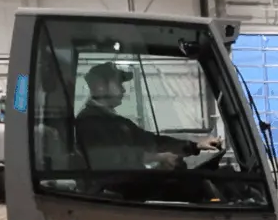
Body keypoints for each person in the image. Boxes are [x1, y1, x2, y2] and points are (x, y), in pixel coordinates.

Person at [75, 62, 220, 170]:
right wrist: (157, 157)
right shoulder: (88, 123)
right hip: (113, 197)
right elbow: (110, 158)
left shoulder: (117, 122)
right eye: (118, 83)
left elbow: (152, 141)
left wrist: (195, 145)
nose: (123, 89)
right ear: (100, 86)